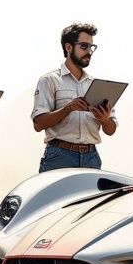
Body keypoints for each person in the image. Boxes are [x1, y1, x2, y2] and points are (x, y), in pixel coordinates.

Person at [32, 23, 117, 172]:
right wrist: (69, 108)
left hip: (92, 158)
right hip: (59, 157)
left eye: (92, 47)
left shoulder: (96, 85)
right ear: (68, 47)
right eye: (84, 46)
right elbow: (38, 124)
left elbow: (111, 130)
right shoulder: (49, 81)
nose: (89, 51)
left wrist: (104, 119)